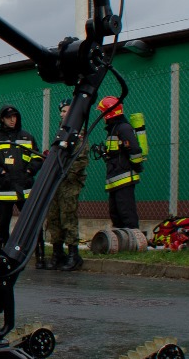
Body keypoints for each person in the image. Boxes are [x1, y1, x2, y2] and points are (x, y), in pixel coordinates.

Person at [0, 104, 43, 248]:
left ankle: (39, 252)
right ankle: (3, 252)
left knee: (33, 221)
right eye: (9, 117)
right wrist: (0, 173)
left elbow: (37, 158)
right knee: (3, 224)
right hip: (4, 190)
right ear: (2, 119)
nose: (12, 120)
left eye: (14, 117)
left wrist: (29, 172)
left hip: (25, 188)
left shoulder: (27, 136)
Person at [42, 99, 89, 271]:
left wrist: (66, 173)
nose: (62, 114)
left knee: (68, 216)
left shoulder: (77, 134)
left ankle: (73, 254)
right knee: (53, 216)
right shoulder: (61, 132)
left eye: (66, 111)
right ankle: (57, 252)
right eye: (61, 111)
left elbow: (81, 159)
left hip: (69, 182)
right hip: (56, 181)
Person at [97, 96, 144, 229]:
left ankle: (133, 240)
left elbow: (134, 149)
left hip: (124, 177)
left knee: (126, 212)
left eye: (103, 112)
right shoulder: (114, 129)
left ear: (110, 112)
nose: (102, 116)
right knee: (115, 212)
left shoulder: (123, 128)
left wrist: (136, 165)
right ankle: (121, 241)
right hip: (115, 177)